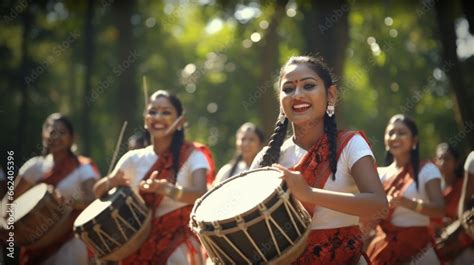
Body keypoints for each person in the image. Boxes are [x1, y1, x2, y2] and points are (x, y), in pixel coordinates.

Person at [250, 55, 388, 264]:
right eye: (288, 89)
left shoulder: (350, 144)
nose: (297, 95)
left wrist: (309, 194)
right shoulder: (267, 159)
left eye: (308, 86)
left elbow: (379, 206)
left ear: (330, 95)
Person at [93, 90, 215, 265]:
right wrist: (111, 181)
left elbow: (200, 193)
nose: (158, 117)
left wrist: (167, 189)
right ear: (145, 119)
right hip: (136, 242)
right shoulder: (132, 159)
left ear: (179, 121)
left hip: (179, 241)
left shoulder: (193, 155)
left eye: (166, 112)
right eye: (152, 111)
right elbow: (97, 193)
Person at [14, 113, 100, 265]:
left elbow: (95, 200)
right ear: (44, 135)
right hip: (34, 245)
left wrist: (70, 202)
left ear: (72, 137)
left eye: (62, 132)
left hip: (70, 242)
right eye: (52, 132)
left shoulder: (82, 167)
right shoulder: (35, 167)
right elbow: (10, 199)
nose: (56, 137)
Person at [367, 114, 445, 264]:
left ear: (414, 140)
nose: (395, 137)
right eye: (391, 132)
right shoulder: (378, 173)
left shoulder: (427, 170)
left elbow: (440, 209)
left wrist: (407, 203)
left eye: (401, 132)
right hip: (383, 248)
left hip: (418, 251)